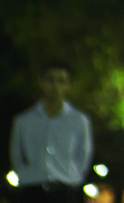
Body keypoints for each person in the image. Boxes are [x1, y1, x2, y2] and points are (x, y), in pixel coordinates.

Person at [9, 61, 93, 203]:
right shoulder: (24, 121)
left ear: (68, 85)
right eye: (50, 80)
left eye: (61, 81)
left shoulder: (78, 120)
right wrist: (25, 175)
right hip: (33, 190)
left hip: (65, 190)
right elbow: (16, 154)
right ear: (41, 83)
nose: (55, 86)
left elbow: (83, 154)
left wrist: (73, 176)